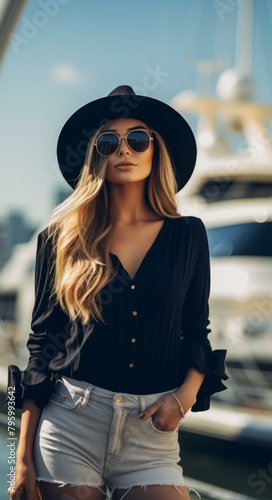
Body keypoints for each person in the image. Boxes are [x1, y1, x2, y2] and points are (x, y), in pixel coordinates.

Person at [7, 85, 228, 500]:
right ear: (96, 155)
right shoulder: (60, 239)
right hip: (70, 423)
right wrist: (19, 463)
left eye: (138, 139)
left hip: (151, 434)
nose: (124, 150)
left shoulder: (188, 235)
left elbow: (196, 331)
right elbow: (40, 352)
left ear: (155, 150)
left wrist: (183, 398)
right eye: (109, 141)